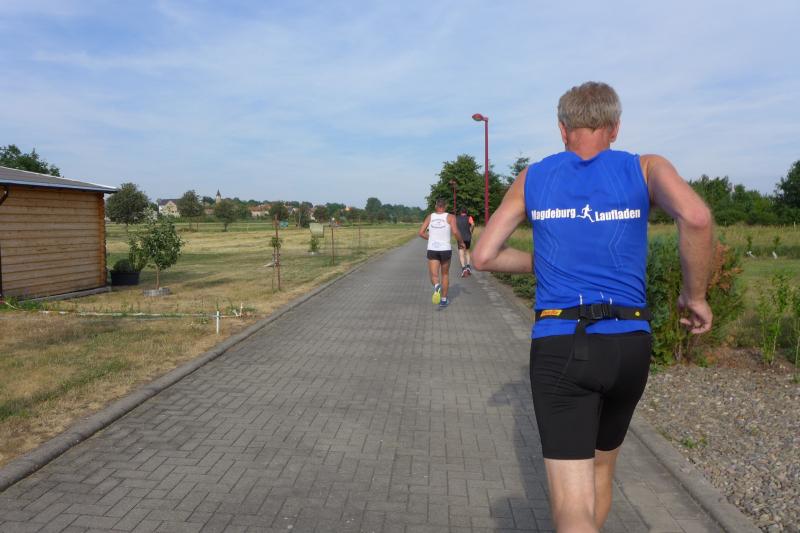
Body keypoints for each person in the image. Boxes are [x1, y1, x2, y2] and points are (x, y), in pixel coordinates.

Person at [472, 81, 713, 532]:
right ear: (615, 127)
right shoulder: (646, 168)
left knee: (572, 506)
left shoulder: (533, 178)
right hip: (630, 345)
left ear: (562, 129)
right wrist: (694, 295)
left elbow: (483, 256)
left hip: (562, 343)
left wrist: (546, 263)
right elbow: (696, 217)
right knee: (602, 470)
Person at [418, 198, 465, 308]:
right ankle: (444, 300)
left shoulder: (430, 217)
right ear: (445, 206)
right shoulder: (451, 217)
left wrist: (431, 239)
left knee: (434, 275)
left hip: (433, 249)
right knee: (445, 274)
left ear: (436, 206)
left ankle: (436, 286)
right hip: (445, 249)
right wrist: (461, 242)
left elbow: (421, 233)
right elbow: (455, 231)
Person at [455, 207, 476, 277]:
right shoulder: (469, 218)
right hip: (467, 237)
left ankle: (464, 268)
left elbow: (454, 228)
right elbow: (473, 224)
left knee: (461, 253)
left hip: (460, 238)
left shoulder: (457, 218)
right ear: (466, 212)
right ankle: (468, 267)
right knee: (467, 251)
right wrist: (471, 231)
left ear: (460, 212)